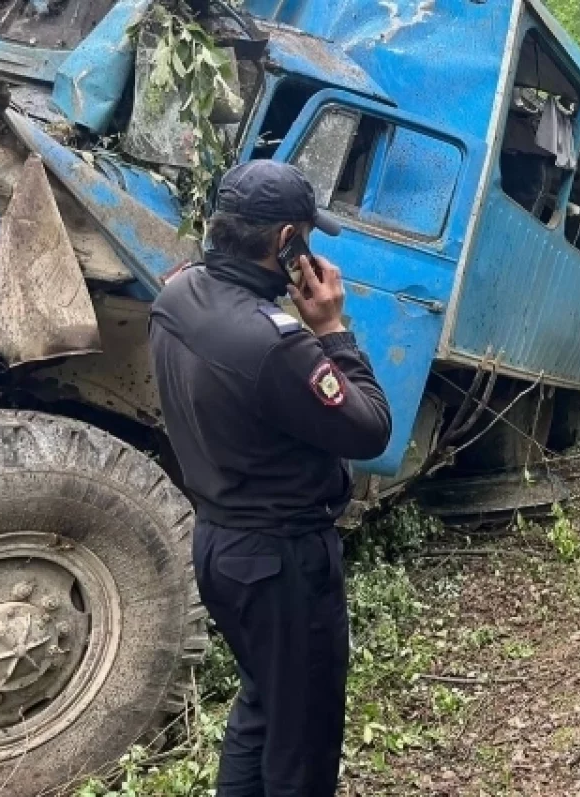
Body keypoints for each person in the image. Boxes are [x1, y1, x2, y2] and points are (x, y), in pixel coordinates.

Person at [149, 160, 393, 797]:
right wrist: (332, 328)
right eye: (307, 237)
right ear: (287, 243)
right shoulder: (277, 344)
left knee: (261, 708)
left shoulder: (176, 295)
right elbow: (369, 430)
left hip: (220, 546)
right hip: (281, 562)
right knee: (303, 743)